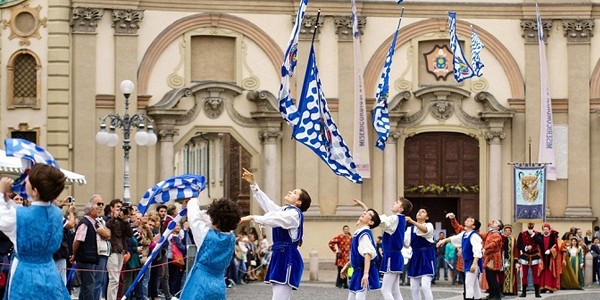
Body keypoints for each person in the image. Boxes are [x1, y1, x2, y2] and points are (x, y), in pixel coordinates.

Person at [240, 167, 311, 300]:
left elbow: (275, 219)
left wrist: (252, 217)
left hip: (287, 257)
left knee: (280, 297)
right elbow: (268, 205)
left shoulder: (294, 214)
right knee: (279, 296)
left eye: (294, 192)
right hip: (280, 254)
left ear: (299, 202)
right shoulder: (285, 210)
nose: (290, 192)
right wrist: (253, 184)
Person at [0, 165, 71, 299]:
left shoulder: (22, 216)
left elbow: (3, 218)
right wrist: (7, 200)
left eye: (28, 181)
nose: (25, 181)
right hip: (50, 271)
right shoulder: (56, 213)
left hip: (25, 273)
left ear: (35, 191)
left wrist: (0, 193)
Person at [179, 197, 242, 299]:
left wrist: (193, 200)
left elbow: (194, 217)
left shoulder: (206, 235)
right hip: (219, 283)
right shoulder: (231, 237)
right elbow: (216, 222)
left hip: (200, 282)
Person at [361, 197, 412, 300]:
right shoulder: (399, 219)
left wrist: (368, 212)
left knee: (385, 289)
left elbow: (380, 220)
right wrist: (367, 211)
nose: (394, 203)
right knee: (395, 291)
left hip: (391, 257)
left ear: (401, 209)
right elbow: (381, 220)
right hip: (395, 256)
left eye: (397, 202)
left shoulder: (395, 218)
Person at [340, 200, 381, 300]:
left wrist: (366, 274)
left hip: (363, 270)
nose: (364, 213)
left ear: (371, 222)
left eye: (368, 214)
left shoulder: (365, 234)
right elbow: (358, 254)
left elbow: (367, 254)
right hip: (358, 270)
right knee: (352, 296)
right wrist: (347, 265)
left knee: (359, 296)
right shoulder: (360, 232)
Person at [437, 216, 483, 300]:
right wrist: (443, 240)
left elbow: (477, 251)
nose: (468, 220)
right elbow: (453, 238)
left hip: (472, 261)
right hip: (467, 261)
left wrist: (474, 264)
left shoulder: (474, 236)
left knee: (468, 284)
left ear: (473, 226)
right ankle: (478, 298)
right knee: (475, 284)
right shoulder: (464, 234)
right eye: (468, 219)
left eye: (471, 220)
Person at [405, 208, 436, 300]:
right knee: (413, 288)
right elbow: (405, 243)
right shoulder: (410, 229)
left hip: (426, 255)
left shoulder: (429, 225)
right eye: (418, 211)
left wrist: (412, 221)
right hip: (415, 256)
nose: (419, 212)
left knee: (425, 286)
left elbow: (425, 230)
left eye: (423, 212)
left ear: (426, 217)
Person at [106, 199, 133, 300]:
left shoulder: (123, 221)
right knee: (114, 279)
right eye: (117, 207)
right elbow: (108, 226)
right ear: (112, 208)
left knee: (117, 280)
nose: (119, 209)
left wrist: (125, 221)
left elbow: (130, 234)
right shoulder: (108, 219)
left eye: (120, 207)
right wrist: (114, 218)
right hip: (112, 252)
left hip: (121, 252)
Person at [516, 222, 542, 298]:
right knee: (524, 275)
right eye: (529, 225)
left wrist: (533, 235)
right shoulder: (522, 234)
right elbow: (519, 244)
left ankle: (537, 292)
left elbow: (540, 242)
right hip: (525, 256)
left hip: (534, 256)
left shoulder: (538, 234)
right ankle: (524, 292)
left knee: (535, 275)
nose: (531, 226)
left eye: (532, 225)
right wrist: (526, 247)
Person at [482, 220, 503, 300]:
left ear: (498, 227)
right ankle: (491, 294)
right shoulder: (490, 233)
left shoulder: (497, 234)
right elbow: (482, 235)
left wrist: (485, 248)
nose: (494, 222)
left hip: (494, 259)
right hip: (489, 258)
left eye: (496, 223)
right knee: (488, 277)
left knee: (492, 277)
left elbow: (493, 243)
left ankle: (497, 296)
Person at [538, 223, 560, 293]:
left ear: (549, 230)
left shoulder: (553, 238)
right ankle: (542, 288)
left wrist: (550, 251)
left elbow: (556, 248)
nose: (545, 231)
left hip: (550, 259)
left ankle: (550, 287)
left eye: (547, 229)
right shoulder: (540, 237)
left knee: (550, 272)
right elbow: (537, 247)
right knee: (542, 273)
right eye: (544, 229)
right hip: (542, 257)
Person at [500, 224, 519, 295]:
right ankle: (503, 290)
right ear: (504, 231)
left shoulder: (513, 239)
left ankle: (510, 290)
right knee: (502, 275)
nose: (507, 232)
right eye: (506, 231)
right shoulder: (501, 238)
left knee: (511, 275)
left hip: (511, 260)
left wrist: (516, 260)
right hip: (503, 259)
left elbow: (516, 250)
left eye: (509, 231)